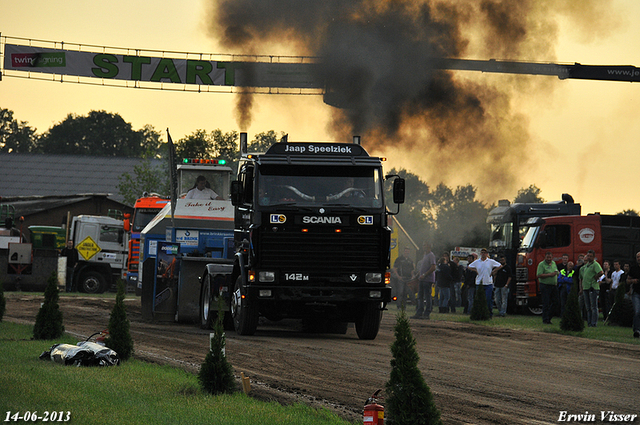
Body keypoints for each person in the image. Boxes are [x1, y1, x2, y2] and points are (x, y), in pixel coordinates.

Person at [468, 248, 500, 317]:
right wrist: (475, 270)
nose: (483, 254)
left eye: (484, 253)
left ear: (486, 254)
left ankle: (489, 313)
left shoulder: (490, 261)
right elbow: (469, 267)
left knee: (488, 299)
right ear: (480, 254)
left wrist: (494, 271)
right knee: (478, 299)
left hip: (488, 282)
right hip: (479, 282)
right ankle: (478, 313)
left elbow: (499, 266)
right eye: (482, 253)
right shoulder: (477, 262)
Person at [579, 249, 604, 328]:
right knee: (588, 307)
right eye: (588, 256)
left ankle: (594, 323)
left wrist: (595, 278)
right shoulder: (586, 265)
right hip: (586, 287)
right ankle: (589, 322)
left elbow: (601, 272)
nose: (589, 257)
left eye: (590, 256)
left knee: (593, 306)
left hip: (592, 287)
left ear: (593, 257)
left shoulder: (595, 264)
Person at [414, 240, 436, 320]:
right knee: (420, 296)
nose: (423, 247)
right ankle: (419, 312)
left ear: (428, 246)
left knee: (427, 296)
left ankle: (427, 313)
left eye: (424, 245)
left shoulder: (431, 255)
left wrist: (424, 274)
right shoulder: (425, 255)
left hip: (427, 279)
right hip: (422, 279)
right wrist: (419, 274)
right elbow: (424, 267)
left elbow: (433, 267)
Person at [537, 251, 559, 324]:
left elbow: (556, 272)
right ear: (545, 257)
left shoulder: (553, 263)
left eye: (550, 257)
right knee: (546, 303)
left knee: (556, 302)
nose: (549, 259)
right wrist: (550, 275)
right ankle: (545, 319)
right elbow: (539, 275)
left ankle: (549, 316)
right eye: (547, 257)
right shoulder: (541, 264)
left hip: (553, 286)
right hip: (545, 286)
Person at [626, 251, 640, 338]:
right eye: (637, 257)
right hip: (636, 293)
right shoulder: (633, 268)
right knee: (637, 311)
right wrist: (633, 281)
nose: (639, 258)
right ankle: (636, 330)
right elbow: (627, 281)